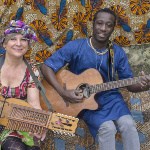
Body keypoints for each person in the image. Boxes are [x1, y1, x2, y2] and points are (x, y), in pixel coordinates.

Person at [40, 8, 150, 150]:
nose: (103, 28)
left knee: (129, 125)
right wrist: (63, 92)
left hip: (112, 98)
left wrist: (144, 86)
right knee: (107, 128)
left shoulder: (117, 52)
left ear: (113, 28)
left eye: (108, 25)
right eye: (99, 23)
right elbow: (46, 67)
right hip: (85, 100)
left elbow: (129, 84)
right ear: (93, 24)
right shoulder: (76, 46)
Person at [0, 20, 46, 150]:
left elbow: (34, 105)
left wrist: (39, 124)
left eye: (24, 39)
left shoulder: (31, 71)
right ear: (4, 43)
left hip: (22, 121)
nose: (19, 44)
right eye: (13, 39)